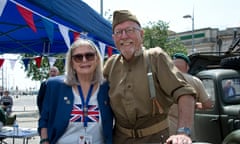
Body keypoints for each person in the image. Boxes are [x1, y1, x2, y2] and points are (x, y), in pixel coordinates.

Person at [103, 10, 196, 144]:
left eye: (129, 30)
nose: (124, 36)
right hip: (120, 139)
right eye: (119, 32)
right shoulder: (111, 64)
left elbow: (185, 93)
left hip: (155, 139)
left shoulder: (155, 57)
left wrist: (183, 132)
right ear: (114, 38)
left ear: (141, 34)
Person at [38, 38, 113, 144]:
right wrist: (44, 140)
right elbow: (44, 120)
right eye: (78, 57)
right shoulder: (55, 86)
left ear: (97, 59)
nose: (84, 60)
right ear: (71, 63)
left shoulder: (106, 87)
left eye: (89, 55)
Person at [169, 53, 213, 138]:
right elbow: (208, 104)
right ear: (187, 67)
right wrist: (195, 105)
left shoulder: (162, 80)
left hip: (168, 133)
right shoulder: (195, 81)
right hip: (187, 134)